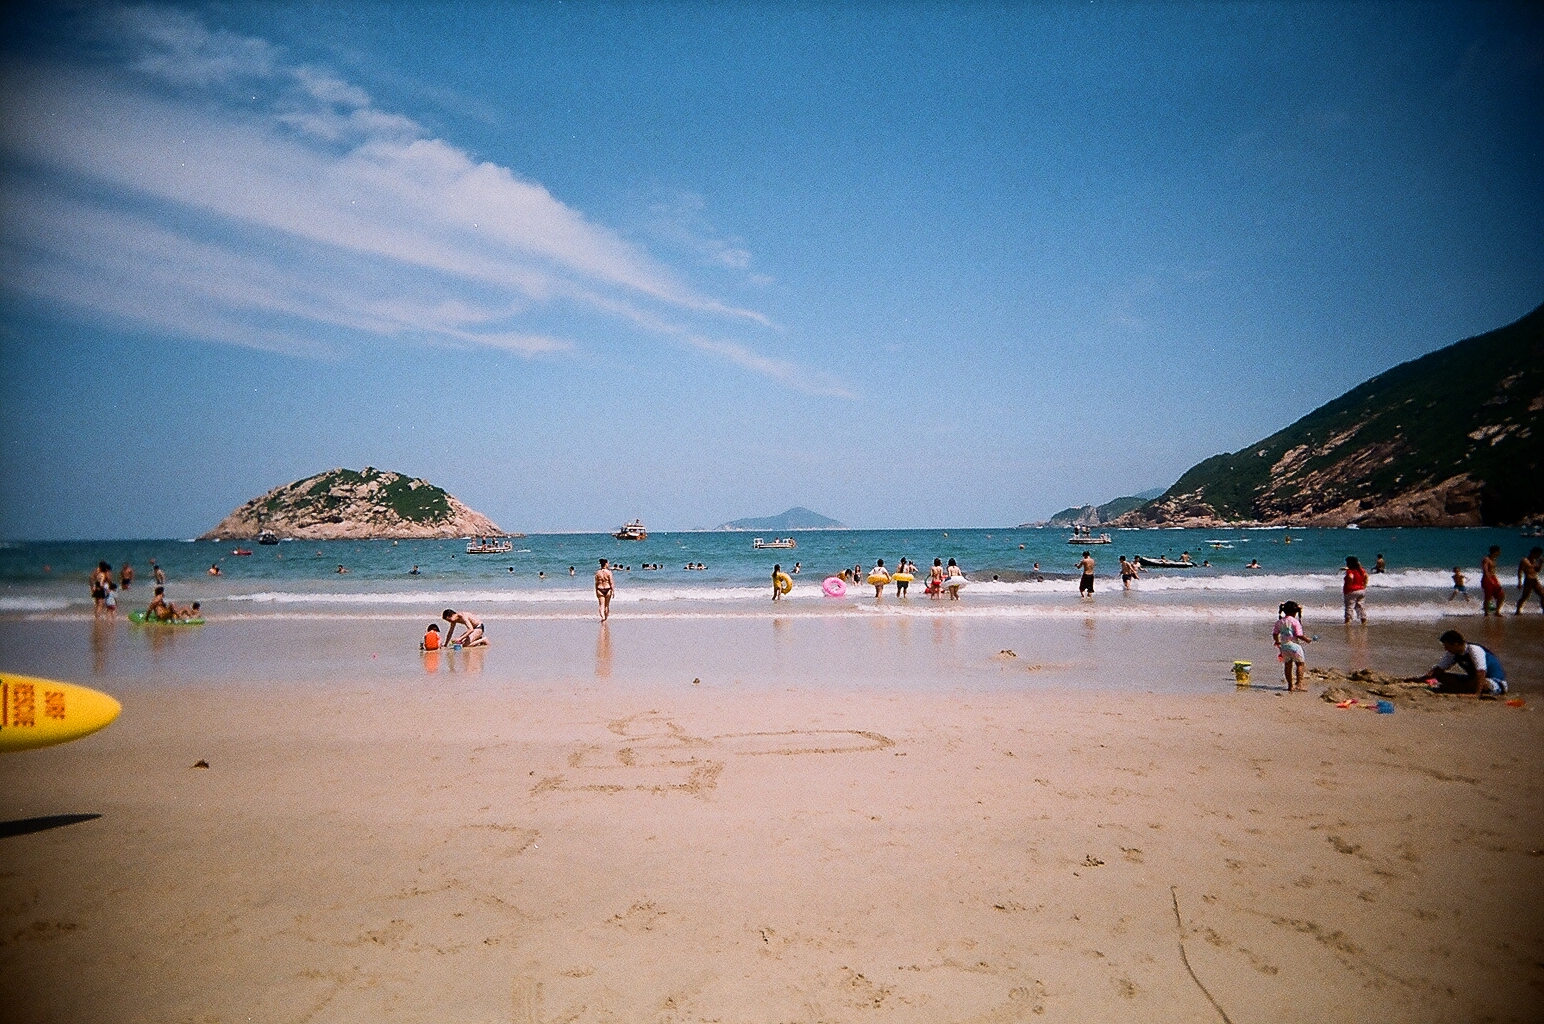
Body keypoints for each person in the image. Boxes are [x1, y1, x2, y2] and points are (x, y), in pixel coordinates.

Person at [1425, 629, 1507, 695]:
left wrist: (1476, 695)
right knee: (1441, 676)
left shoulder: (1474, 650)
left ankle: (1466, 690)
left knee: (1483, 683)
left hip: (1495, 682)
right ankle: (1464, 689)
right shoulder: (1453, 653)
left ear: (1456, 644)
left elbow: (1481, 672)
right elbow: (1438, 669)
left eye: (1447, 646)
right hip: (1472, 679)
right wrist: (1419, 679)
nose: (1446, 649)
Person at [1273, 600, 1312, 691]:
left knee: (1287, 665)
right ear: (1295, 612)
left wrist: (1277, 641)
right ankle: (1299, 684)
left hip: (1284, 647)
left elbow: (1275, 633)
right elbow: (1299, 635)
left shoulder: (1279, 622)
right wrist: (1306, 639)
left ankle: (1290, 685)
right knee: (1300, 664)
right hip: (1294, 646)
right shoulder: (1295, 622)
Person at [1515, 547, 1544, 615]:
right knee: (1525, 597)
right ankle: (1517, 610)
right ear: (1534, 553)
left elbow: (1537, 570)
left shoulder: (1534, 560)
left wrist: (1540, 563)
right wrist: (1519, 582)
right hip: (1528, 580)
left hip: (1535, 579)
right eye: (1538, 554)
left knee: (1543, 595)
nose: (1538, 556)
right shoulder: (1524, 560)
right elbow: (1520, 571)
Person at [1342, 556, 1368, 624]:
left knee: (1349, 606)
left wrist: (1348, 585)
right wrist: (1364, 585)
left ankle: (1347, 621)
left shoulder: (1350, 571)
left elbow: (1351, 577)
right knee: (1360, 606)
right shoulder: (1361, 570)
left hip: (1351, 590)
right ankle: (1363, 620)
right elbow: (1366, 577)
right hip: (1361, 590)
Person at [1481, 545, 1504, 616]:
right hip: (1487, 579)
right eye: (1499, 551)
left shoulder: (1493, 559)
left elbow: (1493, 571)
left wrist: (1496, 581)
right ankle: (1486, 613)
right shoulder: (1486, 559)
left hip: (1493, 578)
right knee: (1488, 597)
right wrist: (1490, 580)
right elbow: (1485, 571)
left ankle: (1497, 611)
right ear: (1495, 551)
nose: (1500, 552)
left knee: (1501, 595)